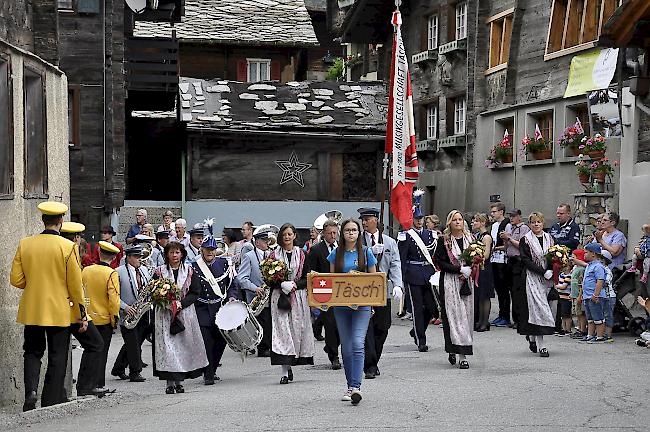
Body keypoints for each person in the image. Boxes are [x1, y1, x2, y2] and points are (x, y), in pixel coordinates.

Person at [10, 202, 85, 411]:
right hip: (59, 309)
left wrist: (33, 283)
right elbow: (75, 285)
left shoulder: (25, 244)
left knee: (32, 352)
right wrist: (81, 312)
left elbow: (16, 280)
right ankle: (51, 398)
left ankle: (31, 392)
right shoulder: (68, 247)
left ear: (43, 220)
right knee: (57, 354)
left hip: (32, 308)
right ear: (61, 221)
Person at [327, 218, 377, 405]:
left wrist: (372, 303)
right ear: (343, 233)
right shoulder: (335, 254)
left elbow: (375, 281)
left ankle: (356, 387)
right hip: (341, 307)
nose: (351, 233)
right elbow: (330, 280)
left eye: (354, 230)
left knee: (357, 343)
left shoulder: (366, 252)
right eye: (347, 230)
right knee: (346, 347)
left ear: (358, 233)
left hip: (362, 306)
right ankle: (350, 385)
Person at [152, 242, 208, 394]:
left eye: (177, 252)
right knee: (168, 349)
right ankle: (169, 383)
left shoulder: (189, 271)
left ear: (182, 254)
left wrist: (181, 303)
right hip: (165, 314)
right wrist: (165, 302)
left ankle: (179, 382)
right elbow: (153, 291)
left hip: (184, 314)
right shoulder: (159, 272)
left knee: (182, 347)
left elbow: (196, 291)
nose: (174, 255)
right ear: (167, 255)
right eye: (171, 253)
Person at [61, 222, 108, 397]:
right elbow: (75, 288)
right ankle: (85, 386)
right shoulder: (70, 253)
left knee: (57, 351)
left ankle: (64, 391)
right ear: (77, 238)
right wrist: (82, 315)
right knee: (96, 344)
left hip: (55, 309)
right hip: (71, 310)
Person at [192, 222, 239, 385]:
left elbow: (232, 283)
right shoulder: (194, 267)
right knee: (206, 341)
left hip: (219, 308)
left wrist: (232, 297)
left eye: (212, 249)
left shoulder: (225, 263)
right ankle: (208, 373)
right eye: (207, 249)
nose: (210, 252)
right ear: (202, 250)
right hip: (202, 308)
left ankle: (212, 368)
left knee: (220, 340)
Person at [358, 207, 402, 379]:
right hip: (362, 291)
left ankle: (373, 359)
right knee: (366, 328)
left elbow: (395, 264)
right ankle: (369, 365)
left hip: (383, 291)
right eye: (362, 219)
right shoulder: (357, 242)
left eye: (367, 219)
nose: (364, 222)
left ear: (375, 220)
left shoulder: (390, 242)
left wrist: (398, 285)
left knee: (382, 327)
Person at [269, 223, 314, 383]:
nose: (287, 237)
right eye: (284, 234)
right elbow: (268, 279)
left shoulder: (302, 254)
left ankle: (290, 365)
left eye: (290, 234)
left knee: (296, 331)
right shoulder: (273, 255)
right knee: (282, 333)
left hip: (298, 298)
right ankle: (284, 371)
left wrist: (295, 285)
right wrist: (281, 284)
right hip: (279, 298)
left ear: (294, 235)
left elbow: (308, 277)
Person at [434, 210, 475, 369]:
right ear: (449, 222)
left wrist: (472, 268)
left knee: (467, 316)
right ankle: (460, 354)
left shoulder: (471, 239)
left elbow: (477, 258)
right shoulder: (444, 241)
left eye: (460, 219)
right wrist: (459, 270)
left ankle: (461, 349)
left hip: (467, 282)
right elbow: (440, 263)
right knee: (454, 317)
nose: (458, 222)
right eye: (455, 220)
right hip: (451, 281)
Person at [398, 199, 438, 352]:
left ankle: (416, 329)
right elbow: (401, 258)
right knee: (416, 308)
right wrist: (400, 278)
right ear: (412, 219)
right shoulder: (405, 236)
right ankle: (421, 339)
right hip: (413, 275)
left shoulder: (431, 235)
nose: (419, 221)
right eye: (416, 219)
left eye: (421, 218)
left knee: (432, 307)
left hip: (428, 274)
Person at [302, 219, 341, 370]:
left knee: (339, 327)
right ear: (323, 234)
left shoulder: (342, 248)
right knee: (330, 325)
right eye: (329, 233)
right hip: (324, 293)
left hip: (341, 292)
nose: (332, 235)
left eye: (334, 233)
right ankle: (334, 356)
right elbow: (310, 271)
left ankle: (331, 346)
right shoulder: (317, 249)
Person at [516, 212, 556, 357]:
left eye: (539, 222)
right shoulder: (525, 240)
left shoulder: (550, 238)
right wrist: (541, 271)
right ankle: (542, 345)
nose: (536, 224)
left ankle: (532, 336)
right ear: (530, 224)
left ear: (543, 223)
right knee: (539, 308)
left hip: (548, 278)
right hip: (532, 277)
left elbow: (554, 256)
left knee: (547, 307)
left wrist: (551, 269)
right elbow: (526, 260)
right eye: (533, 222)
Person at [83, 241, 121, 390]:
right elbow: (114, 301)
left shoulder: (86, 270)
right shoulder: (111, 273)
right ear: (113, 258)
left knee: (88, 351)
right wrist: (114, 319)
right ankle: (98, 383)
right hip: (104, 319)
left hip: (87, 316)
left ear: (99, 253)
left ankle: (85, 382)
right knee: (101, 353)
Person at [111, 245, 150, 382]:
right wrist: (125, 307)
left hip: (143, 312)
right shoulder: (118, 271)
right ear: (128, 257)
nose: (140, 259)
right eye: (137, 256)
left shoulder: (144, 270)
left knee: (134, 342)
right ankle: (135, 372)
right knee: (132, 343)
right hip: (128, 313)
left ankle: (118, 368)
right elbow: (113, 294)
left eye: (140, 256)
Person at [237, 226, 276, 357]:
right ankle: (263, 348)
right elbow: (241, 278)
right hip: (257, 296)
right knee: (263, 321)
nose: (268, 243)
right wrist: (255, 288)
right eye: (265, 240)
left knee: (271, 320)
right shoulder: (249, 256)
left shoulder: (271, 255)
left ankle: (270, 345)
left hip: (270, 294)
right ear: (257, 242)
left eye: (268, 240)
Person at [500, 208, 530, 329]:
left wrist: (509, 239)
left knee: (518, 291)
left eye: (513, 216)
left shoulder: (524, 228)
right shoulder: (509, 227)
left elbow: (521, 245)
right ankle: (514, 318)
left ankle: (520, 319)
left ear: (519, 217)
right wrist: (505, 240)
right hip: (509, 260)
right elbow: (507, 246)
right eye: (510, 216)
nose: (511, 218)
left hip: (519, 261)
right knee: (511, 290)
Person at [489, 202, 511, 328]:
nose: (492, 214)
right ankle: (501, 314)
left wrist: (495, 249)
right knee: (498, 289)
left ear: (501, 212)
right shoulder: (494, 226)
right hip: (494, 259)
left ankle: (506, 316)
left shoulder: (506, 225)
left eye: (494, 211)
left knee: (504, 289)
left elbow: (507, 244)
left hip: (502, 260)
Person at [470, 213, 494, 332]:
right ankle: (480, 320)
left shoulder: (486, 237)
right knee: (480, 296)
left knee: (485, 296)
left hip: (484, 268)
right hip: (478, 268)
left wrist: (475, 255)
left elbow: (486, 254)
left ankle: (485, 322)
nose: (473, 223)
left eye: (476, 221)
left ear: (483, 223)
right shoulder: (478, 236)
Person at [581, 243, 608, 343]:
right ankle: (590, 335)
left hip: (595, 296)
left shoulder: (598, 266)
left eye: (586, 252)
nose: (584, 254)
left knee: (598, 316)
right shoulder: (589, 265)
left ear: (593, 254)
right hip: (587, 296)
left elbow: (600, 281)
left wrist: (595, 294)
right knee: (590, 318)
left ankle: (600, 336)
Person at [569, 249, 588, 339]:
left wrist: (580, 295)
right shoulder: (576, 269)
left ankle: (582, 329)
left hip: (578, 295)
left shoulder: (582, 270)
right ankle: (579, 329)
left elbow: (581, 284)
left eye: (573, 257)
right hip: (574, 295)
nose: (571, 259)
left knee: (581, 314)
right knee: (577, 313)